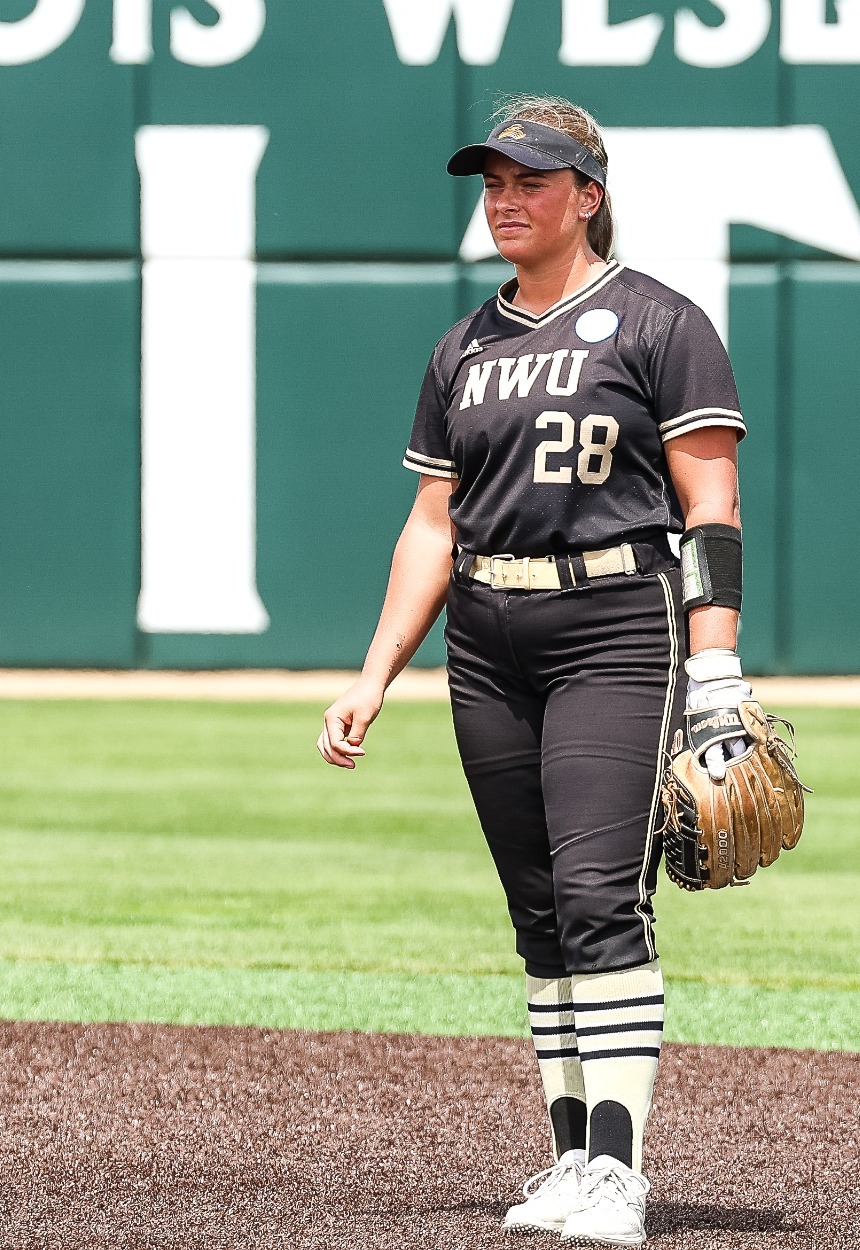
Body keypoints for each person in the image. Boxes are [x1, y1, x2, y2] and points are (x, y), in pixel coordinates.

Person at [316, 95, 755, 1248]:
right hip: (486, 634)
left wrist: (715, 670)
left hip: (615, 619)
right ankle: (568, 1160)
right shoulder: (463, 345)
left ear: (587, 196)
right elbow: (430, 523)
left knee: (603, 894)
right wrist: (374, 672)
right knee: (540, 912)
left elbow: (709, 507)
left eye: (531, 182)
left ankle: (617, 1168)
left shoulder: (659, 323)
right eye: (492, 183)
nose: (505, 201)